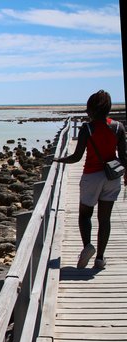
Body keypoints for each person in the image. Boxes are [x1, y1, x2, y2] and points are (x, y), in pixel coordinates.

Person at [57, 90, 125, 268]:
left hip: (91, 176)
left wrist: (58, 159)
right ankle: (100, 258)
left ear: (92, 109)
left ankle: (87, 246)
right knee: (105, 219)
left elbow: (76, 157)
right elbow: (124, 158)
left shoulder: (87, 128)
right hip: (112, 177)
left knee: (85, 215)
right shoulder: (118, 127)